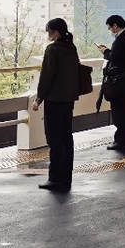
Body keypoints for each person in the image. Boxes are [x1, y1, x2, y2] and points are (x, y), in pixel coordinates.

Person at [30, 18, 81, 192]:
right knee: (66, 137)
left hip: (54, 100)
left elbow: (46, 77)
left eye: (50, 31)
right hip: (68, 99)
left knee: (54, 139)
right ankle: (66, 177)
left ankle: (55, 178)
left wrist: (38, 99)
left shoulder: (52, 49)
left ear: (56, 32)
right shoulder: (71, 47)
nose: (48, 34)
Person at [99, 14, 125, 152]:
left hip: (119, 83)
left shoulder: (120, 40)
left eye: (110, 28)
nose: (110, 31)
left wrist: (105, 51)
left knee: (119, 112)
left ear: (115, 26)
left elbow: (114, 58)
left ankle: (121, 140)